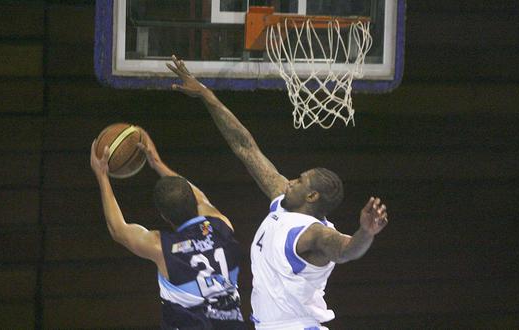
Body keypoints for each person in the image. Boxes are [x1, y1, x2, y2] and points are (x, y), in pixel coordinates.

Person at [167, 55, 389, 330]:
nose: (291, 181)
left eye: (300, 180)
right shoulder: (282, 203)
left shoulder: (314, 233)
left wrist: (366, 232)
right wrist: (206, 95)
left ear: (312, 197)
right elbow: (245, 147)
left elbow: (346, 250)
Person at [90, 128, 246, 330]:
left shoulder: (163, 247)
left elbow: (118, 230)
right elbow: (200, 197)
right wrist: (158, 163)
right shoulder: (221, 225)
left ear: (164, 216)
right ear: (195, 202)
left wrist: (102, 175)